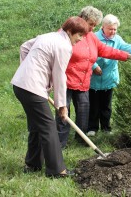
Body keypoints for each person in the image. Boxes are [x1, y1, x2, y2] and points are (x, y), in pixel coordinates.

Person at [11, 16, 89, 177]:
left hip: (21, 85)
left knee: (36, 125)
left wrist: (28, 70)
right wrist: (62, 106)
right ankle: (57, 170)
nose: (80, 39)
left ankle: (32, 164)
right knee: (48, 127)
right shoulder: (64, 46)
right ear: (69, 31)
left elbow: (24, 47)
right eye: (79, 35)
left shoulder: (47, 36)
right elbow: (60, 76)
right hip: (31, 88)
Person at [55, 7, 131, 148]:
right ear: (81, 19)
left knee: (84, 110)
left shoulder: (92, 36)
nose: (92, 28)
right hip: (66, 81)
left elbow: (105, 50)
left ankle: (81, 139)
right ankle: (60, 142)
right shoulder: (67, 33)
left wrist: (127, 55)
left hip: (83, 82)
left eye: (94, 25)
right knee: (64, 111)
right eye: (90, 24)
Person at [87, 14, 131, 136]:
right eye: (110, 29)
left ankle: (106, 128)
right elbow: (87, 54)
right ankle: (92, 128)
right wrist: (94, 66)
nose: (113, 32)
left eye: (115, 29)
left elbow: (125, 46)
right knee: (93, 105)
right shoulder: (93, 38)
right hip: (94, 79)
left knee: (106, 105)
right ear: (103, 27)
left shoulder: (117, 39)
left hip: (109, 78)